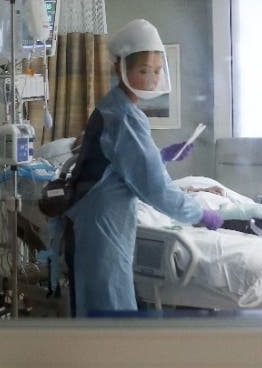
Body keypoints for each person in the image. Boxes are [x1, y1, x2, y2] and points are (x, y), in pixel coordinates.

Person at [64, 19, 223, 318]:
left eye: (157, 71)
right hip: (102, 226)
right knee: (109, 318)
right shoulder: (124, 116)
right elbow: (155, 188)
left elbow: (123, 165)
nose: (151, 79)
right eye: (143, 71)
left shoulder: (116, 107)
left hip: (97, 221)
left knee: (100, 312)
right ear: (120, 68)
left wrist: (161, 156)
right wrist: (199, 214)